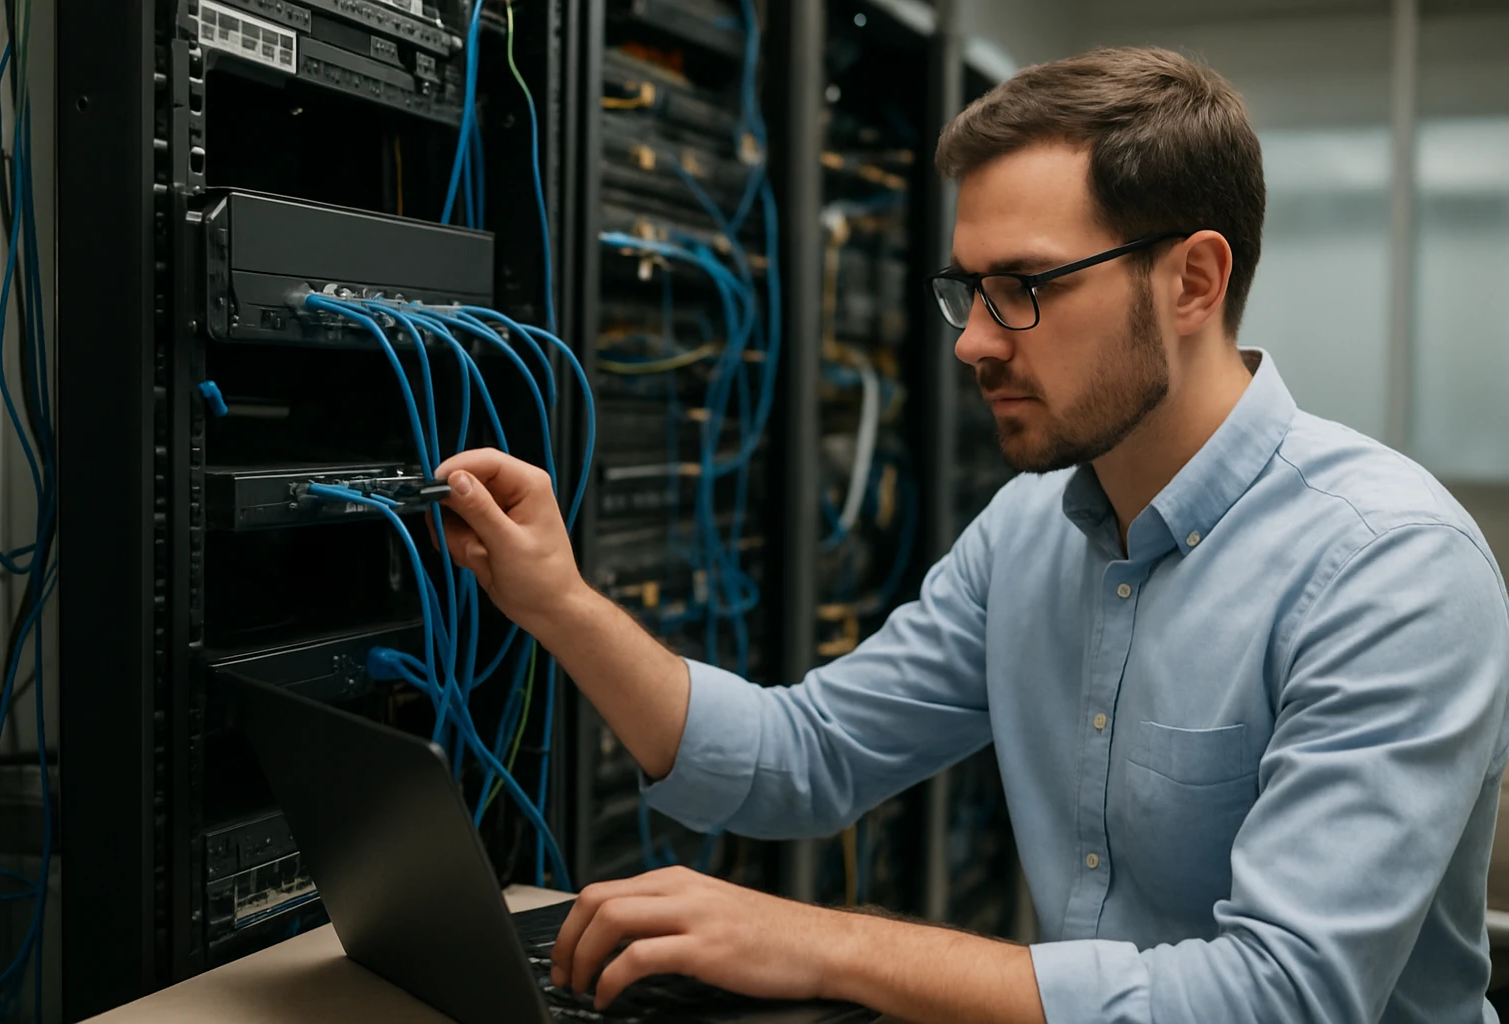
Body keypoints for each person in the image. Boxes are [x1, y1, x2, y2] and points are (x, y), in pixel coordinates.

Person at [433, 46, 1509, 1024]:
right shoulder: (1030, 532)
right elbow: (800, 759)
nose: (977, 342)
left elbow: (1282, 999)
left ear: (1193, 280)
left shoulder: (1390, 568)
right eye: (971, 291)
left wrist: (827, 942)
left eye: (1024, 289)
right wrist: (557, 602)